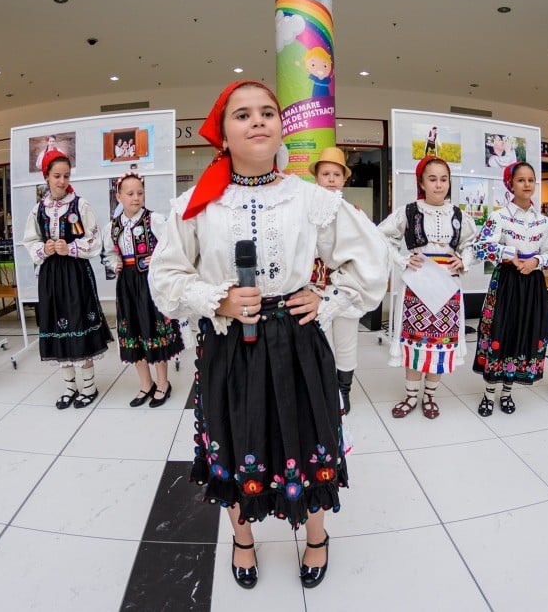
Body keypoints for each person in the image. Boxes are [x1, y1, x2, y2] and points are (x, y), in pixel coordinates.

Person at [148, 81, 387, 589]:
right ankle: (243, 539)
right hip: (228, 342)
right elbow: (165, 277)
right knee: (234, 437)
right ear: (223, 132)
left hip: (297, 339)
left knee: (311, 432)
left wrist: (329, 299)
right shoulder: (195, 204)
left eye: (267, 112)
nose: (257, 121)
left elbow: (369, 258)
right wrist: (219, 299)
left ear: (281, 127)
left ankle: (317, 535)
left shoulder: (309, 199)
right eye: (242, 114)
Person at [379, 155, 477, 420]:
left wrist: (463, 259)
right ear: (421, 182)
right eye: (432, 179)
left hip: (448, 286)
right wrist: (401, 259)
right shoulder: (408, 211)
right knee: (414, 342)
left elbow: (472, 244)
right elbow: (381, 236)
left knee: (441, 343)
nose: (438, 185)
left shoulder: (459, 215)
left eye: (443, 179)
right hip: (418, 284)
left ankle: (430, 395)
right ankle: (411, 395)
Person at [23, 149, 112, 409]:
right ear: (47, 177)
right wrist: (44, 249)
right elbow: (30, 240)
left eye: (66, 175)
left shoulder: (80, 205)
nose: (62, 181)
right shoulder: (38, 209)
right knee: (57, 324)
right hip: (51, 276)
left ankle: (89, 387)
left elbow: (95, 239)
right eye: (57, 176)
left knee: (78, 321)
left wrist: (71, 248)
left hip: (75, 274)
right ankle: (70, 387)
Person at [473, 162, 548, 416]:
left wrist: (536, 261)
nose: (527, 184)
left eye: (531, 180)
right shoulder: (498, 217)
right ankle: (489, 393)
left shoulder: (542, 221)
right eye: (520, 180)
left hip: (531, 283)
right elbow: (481, 247)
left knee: (523, 333)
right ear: (510, 184)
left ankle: (507, 391)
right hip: (506, 282)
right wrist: (510, 255)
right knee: (501, 331)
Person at [102, 171, 183, 407]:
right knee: (133, 331)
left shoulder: (154, 220)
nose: (136, 198)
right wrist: (113, 263)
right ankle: (145, 384)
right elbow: (107, 253)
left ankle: (163, 383)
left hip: (150, 282)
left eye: (140, 193)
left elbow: (172, 246)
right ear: (119, 196)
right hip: (126, 283)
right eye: (130, 193)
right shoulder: (113, 227)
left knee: (153, 328)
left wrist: (157, 259)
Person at [309, 146, 360, 414]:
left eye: (336, 174)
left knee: (347, 340)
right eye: (325, 173)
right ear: (316, 177)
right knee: (321, 343)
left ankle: (344, 390)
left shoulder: (354, 212)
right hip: (315, 288)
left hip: (347, 287)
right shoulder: (306, 212)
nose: (330, 178)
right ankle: (325, 390)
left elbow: (364, 250)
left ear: (344, 179)